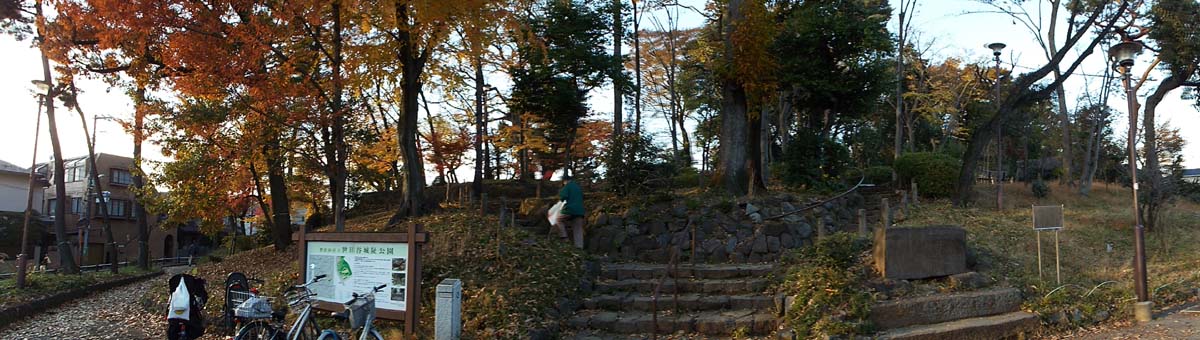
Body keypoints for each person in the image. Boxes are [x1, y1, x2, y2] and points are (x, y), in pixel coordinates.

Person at [558, 174, 585, 249]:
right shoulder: (578, 187)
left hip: (570, 209)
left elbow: (563, 198)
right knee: (578, 229)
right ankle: (579, 247)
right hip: (580, 211)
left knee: (558, 219)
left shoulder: (567, 186)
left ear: (564, 181)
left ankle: (564, 237)